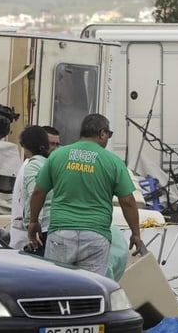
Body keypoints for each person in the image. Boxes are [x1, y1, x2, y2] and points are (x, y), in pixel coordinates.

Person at [27, 114, 143, 275]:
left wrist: (33, 222)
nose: (108, 138)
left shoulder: (57, 156)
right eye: (109, 134)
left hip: (61, 232)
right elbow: (128, 201)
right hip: (96, 235)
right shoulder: (113, 162)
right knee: (91, 289)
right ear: (102, 133)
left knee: (56, 286)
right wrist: (136, 233)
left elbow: (39, 191)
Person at [10, 125, 60, 250]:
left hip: (38, 232)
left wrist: (34, 223)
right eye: (51, 144)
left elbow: (36, 194)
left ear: (25, 146)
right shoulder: (50, 165)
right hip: (50, 227)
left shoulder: (32, 166)